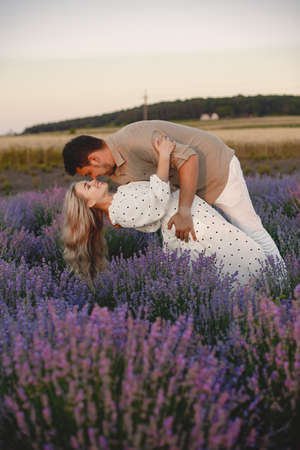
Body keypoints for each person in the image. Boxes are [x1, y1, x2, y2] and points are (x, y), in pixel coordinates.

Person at [62, 135, 273, 287]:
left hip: (194, 218)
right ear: (89, 204)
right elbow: (157, 203)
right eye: (88, 186)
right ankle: (279, 290)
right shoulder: (118, 208)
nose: (94, 180)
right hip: (193, 226)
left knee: (241, 261)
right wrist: (164, 156)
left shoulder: (119, 197)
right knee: (242, 263)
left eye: (90, 177)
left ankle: (276, 289)